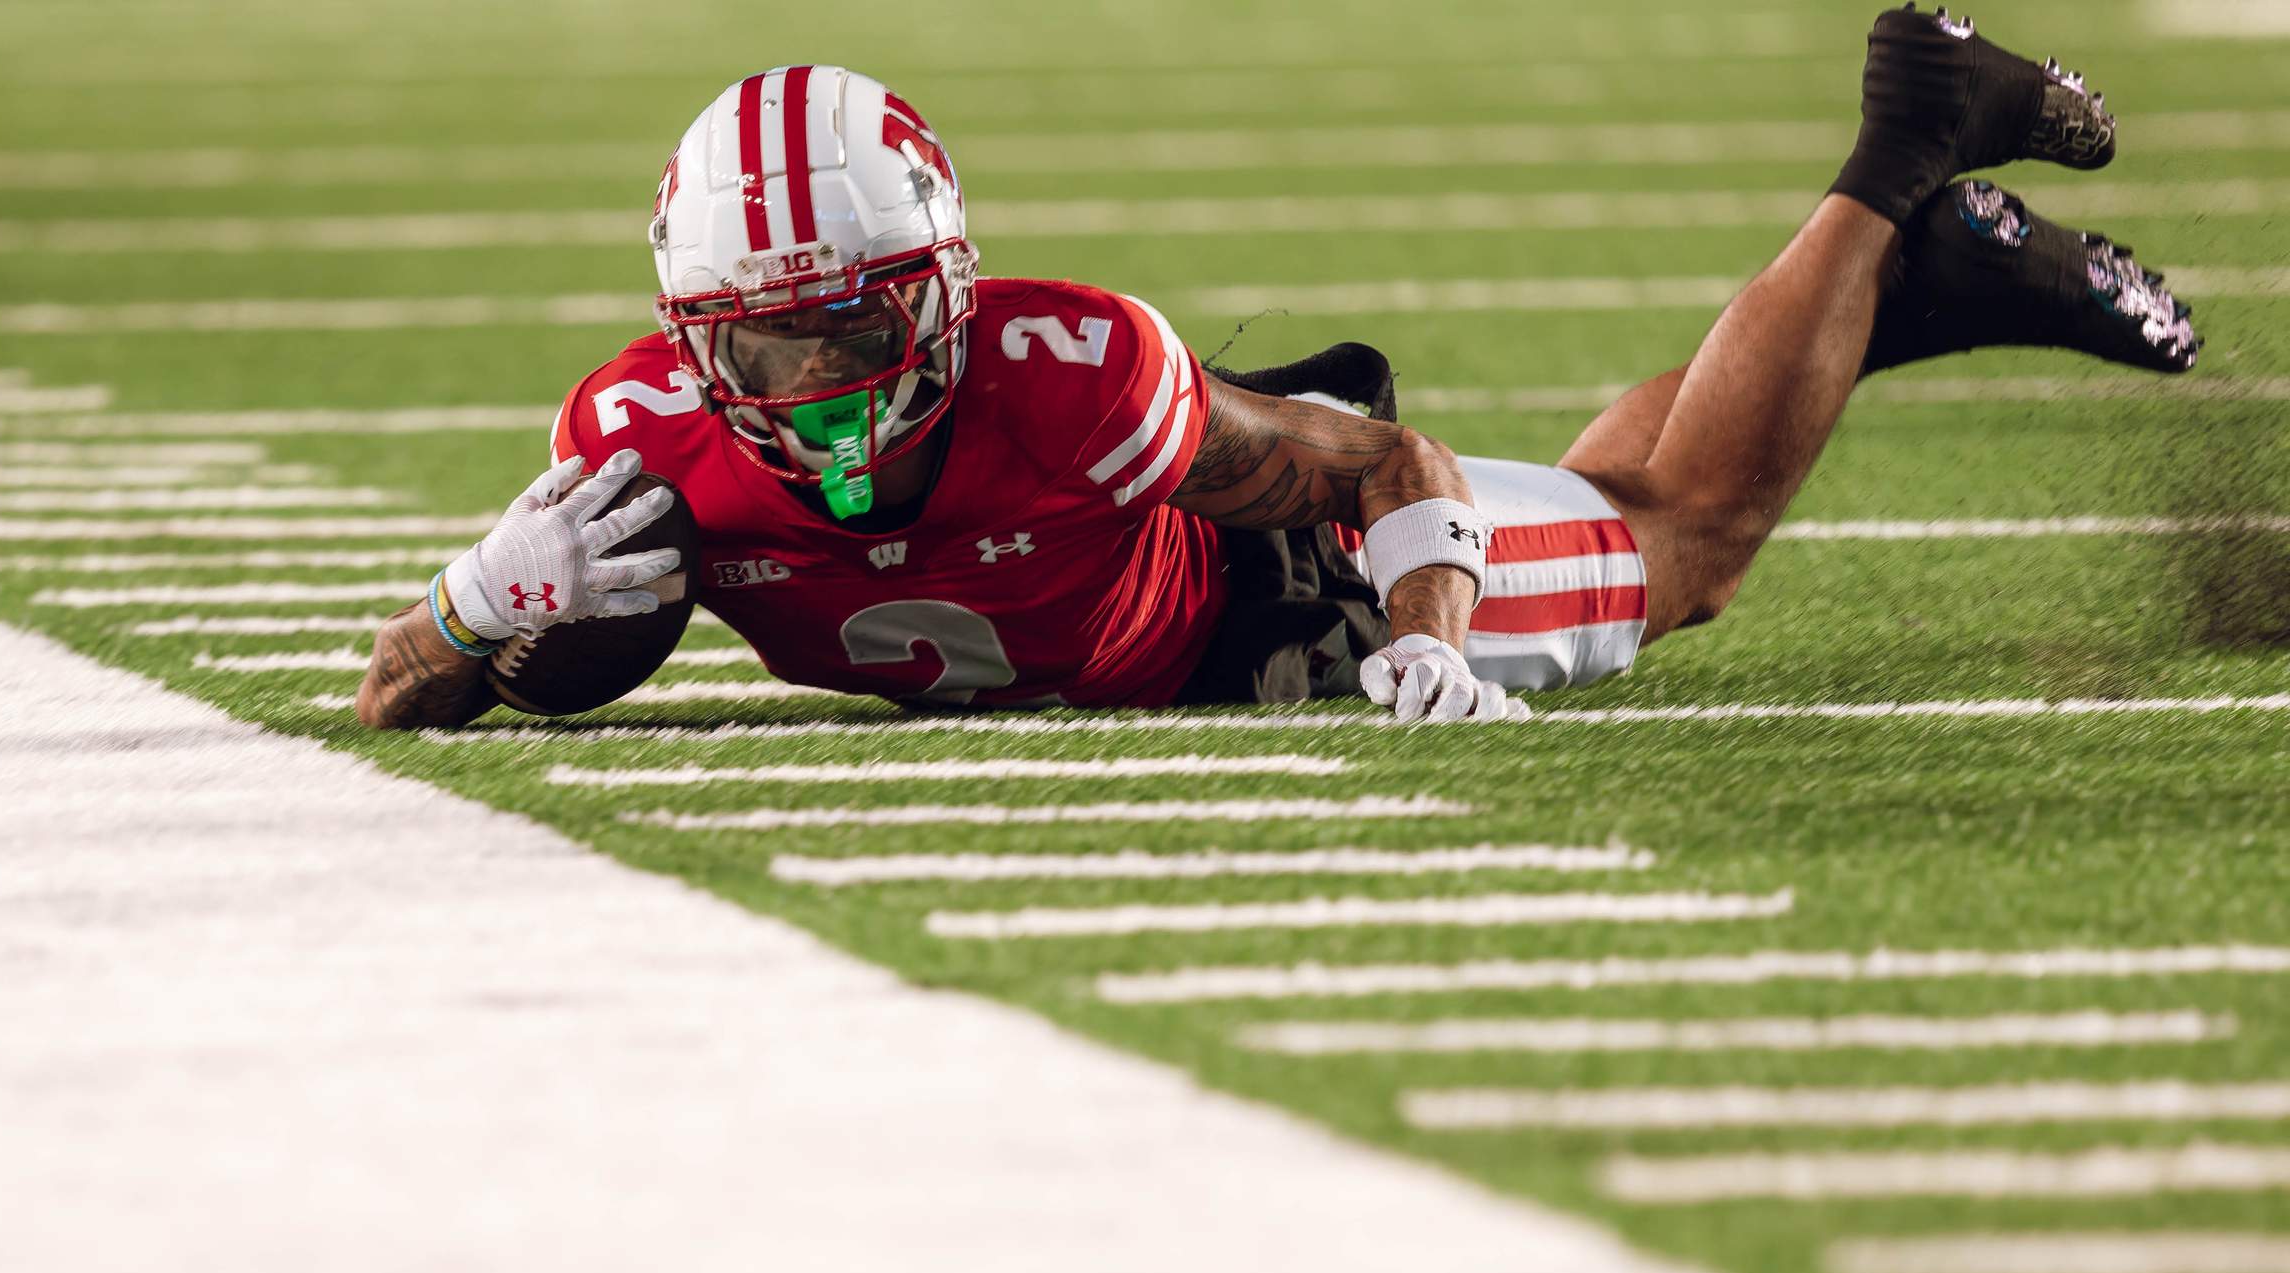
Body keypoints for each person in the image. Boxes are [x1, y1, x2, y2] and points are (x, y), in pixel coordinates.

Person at [356, 6, 2197, 732]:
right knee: (1627, 495)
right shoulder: (637, 452)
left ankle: (1903, 151)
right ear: (694, 333)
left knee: (1687, 541)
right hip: (1182, 647)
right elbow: (401, 706)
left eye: (853, 314)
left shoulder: (1073, 375)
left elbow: (1385, 462)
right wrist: (460, 613)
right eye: (767, 330)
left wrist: (1429, 638)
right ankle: (1909, 279)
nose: (816, 364)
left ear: (941, 287)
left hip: (1275, 599)